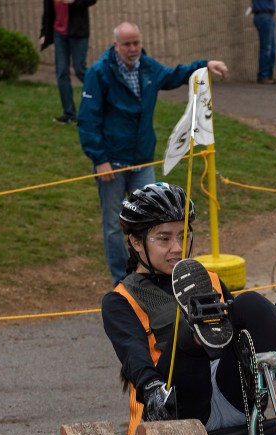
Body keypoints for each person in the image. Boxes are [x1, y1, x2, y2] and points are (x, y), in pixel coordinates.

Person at [101, 182, 276, 435]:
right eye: (164, 238)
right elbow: (133, 355)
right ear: (136, 242)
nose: (176, 247)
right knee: (186, 326)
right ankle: (196, 331)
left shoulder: (211, 281)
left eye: (183, 236)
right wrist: (152, 388)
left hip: (235, 392)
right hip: (181, 402)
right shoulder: (121, 299)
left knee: (249, 302)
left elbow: (254, 330)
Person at [79, 22, 228, 284]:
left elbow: (174, 75)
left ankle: (151, 274)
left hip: (143, 161)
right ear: (116, 45)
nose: (133, 48)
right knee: (115, 226)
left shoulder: (147, 66)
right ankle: (121, 281)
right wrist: (99, 159)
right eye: (127, 44)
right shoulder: (99, 73)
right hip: (112, 164)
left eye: (136, 42)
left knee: (154, 221)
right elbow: (88, 120)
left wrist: (205, 65)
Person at [40, 0, 98, 125]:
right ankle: (69, 114)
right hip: (59, 34)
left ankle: (105, 91)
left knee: (79, 70)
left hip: (78, 32)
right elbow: (48, 10)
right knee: (61, 72)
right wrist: (44, 32)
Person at [251, 0, 276, 84]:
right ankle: (263, 75)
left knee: (271, 48)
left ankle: (268, 75)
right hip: (264, 15)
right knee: (267, 48)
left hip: (267, 16)